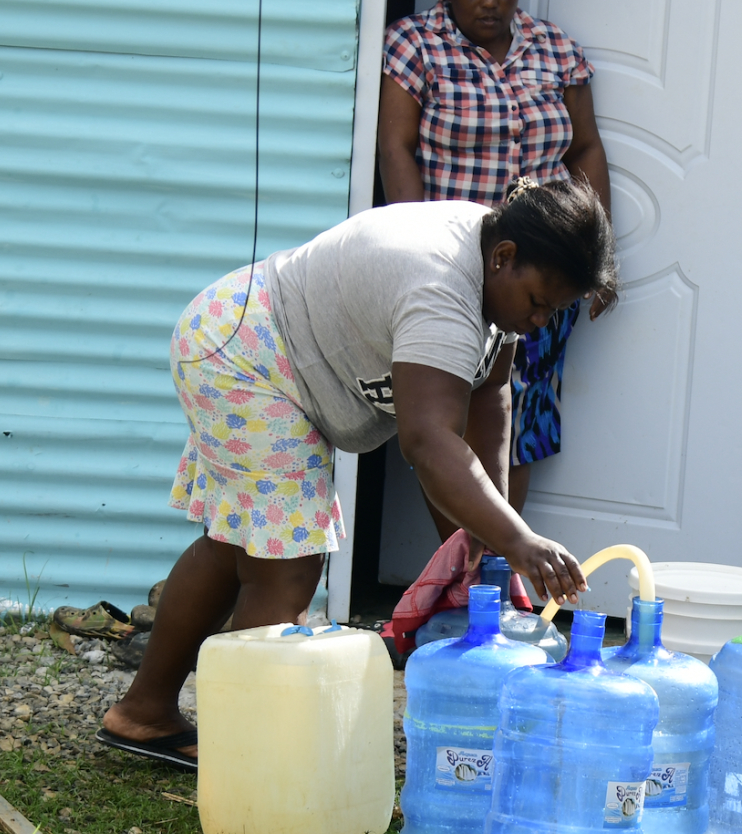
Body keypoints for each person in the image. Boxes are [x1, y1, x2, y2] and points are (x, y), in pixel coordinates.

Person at [97, 180, 616, 769]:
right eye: (539, 302)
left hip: (247, 337)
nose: (541, 322)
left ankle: (144, 714)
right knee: (287, 568)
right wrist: (518, 540)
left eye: (554, 310)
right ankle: (240, 761)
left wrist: (488, 531)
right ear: (504, 259)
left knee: (236, 548)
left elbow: (490, 393)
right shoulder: (441, 288)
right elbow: (428, 440)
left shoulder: (500, 258)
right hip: (248, 355)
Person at [376, 0, 613, 509]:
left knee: (519, 425)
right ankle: (464, 579)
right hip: (458, 269)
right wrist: (411, 239)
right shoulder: (414, 45)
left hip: (540, 273)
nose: (489, 3)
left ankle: (500, 575)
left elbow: (585, 149)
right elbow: (395, 146)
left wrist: (597, 259)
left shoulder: (556, 51)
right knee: (448, 423)